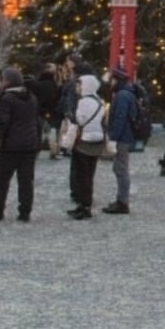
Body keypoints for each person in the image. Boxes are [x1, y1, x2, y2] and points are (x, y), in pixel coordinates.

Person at [0, 67, 41, 223]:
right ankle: (25, 211)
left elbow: (2, 122)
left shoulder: (7, 98)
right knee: (26, 181)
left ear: (7, 81)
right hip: (29, 145)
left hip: (10, 145)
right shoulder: (31, 97)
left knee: (1, 179)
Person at [67, 73, 107, 220]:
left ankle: (84, 206)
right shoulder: (99, 100)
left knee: (82, 175)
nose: (77, 88)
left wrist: (72, 116)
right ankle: (85, 204)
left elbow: (79, 119)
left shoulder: (83, 102)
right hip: (97, 140)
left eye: (79, 85)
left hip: (84, 140)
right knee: (89, 174)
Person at [102, 66, 137, 214]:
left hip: (122, 137)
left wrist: (113, 137)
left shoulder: (122, 95)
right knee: (120, 168)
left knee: (121, 169)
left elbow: (120, 118)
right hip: (124, 136)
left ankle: (122, 201)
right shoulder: (126, 93)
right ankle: (121, 200)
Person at [27, 63, 60, 159]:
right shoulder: (53, 86)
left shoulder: (37, 85)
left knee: (39, 132)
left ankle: (36, 150)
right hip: (50, 111)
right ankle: (53, 150)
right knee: (51, 132)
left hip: (38, 111)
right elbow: (55, 99)